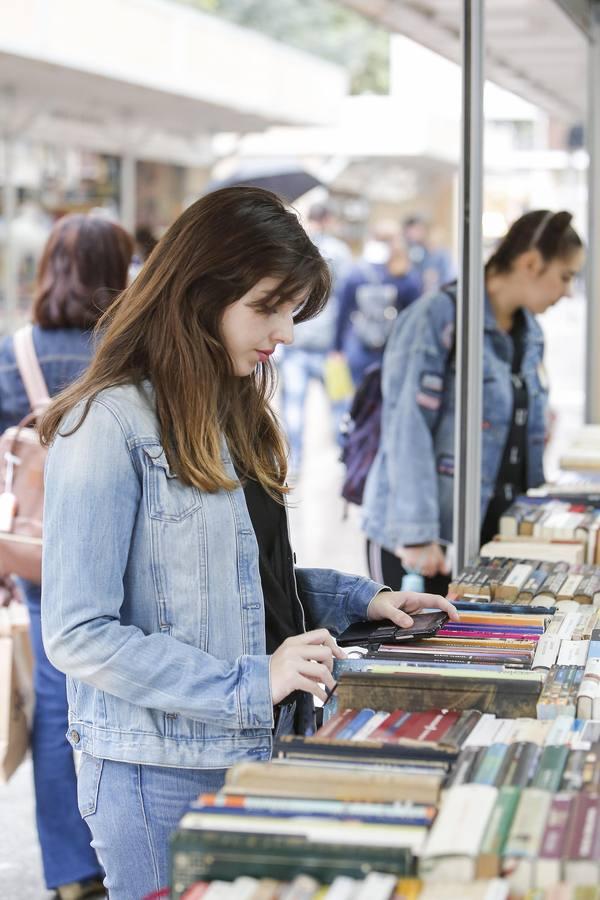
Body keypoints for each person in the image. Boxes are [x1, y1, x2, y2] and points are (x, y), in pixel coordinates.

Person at [39, 187, 458, 900]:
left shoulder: (232, 408)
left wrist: (366, 600)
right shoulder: (107, 425)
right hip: (159, 775)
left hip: (257, 749)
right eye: (268, 307)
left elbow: (250, 579)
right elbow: (78, 634)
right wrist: (249, 681)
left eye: (291, 311)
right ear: (199, 291)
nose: (286, 333)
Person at [0, 213, 133, 900]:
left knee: (55, 703)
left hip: (42, 550)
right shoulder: (134, 344)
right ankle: (128, 850)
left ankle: (72, 873)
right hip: (130, 545)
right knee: (130, 687)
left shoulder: (16, 350)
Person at [362, 209, 584, 592]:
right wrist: (418, 533)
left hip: (493, 536)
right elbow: (406, 427)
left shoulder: (529, 333)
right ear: (531, 263)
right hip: (427, 542)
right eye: (565, 276)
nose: (567, 291)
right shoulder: (439, 319)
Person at [278, 202, 352, 475]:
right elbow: (346, 302)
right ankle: (346, 457)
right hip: (328, 344)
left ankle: (294, 461)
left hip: (297, 338)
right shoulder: (340, 252)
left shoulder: (296, 250)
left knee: (294, 409)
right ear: (330, 219)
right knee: (339, 407)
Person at [334, 220, 422, 386]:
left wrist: (337, 347)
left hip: (358, 344)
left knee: (357, 401)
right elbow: (415, 317)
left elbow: (343, 312)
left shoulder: (357, 272)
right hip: (393, 349)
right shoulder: (405, 275)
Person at [403, 213, 455, 294]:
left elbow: (449, 280)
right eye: (409, 232)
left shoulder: (442, 255)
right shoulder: (415, 254)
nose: (412, 234)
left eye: (417, 230)